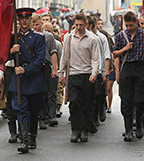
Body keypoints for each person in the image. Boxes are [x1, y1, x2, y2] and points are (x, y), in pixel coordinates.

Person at [8, 8, 47, 154]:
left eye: (26, 18)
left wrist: (26, 70)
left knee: (33, 111)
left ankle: (32, 137)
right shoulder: (14, 38)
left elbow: (40, 59)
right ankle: (24, 141)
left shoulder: (38, 37)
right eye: (21, 18)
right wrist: (11, 51)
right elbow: (3, 57)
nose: (24, 21)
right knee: (21, 109)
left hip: (34, 78)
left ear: (31, 20)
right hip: (19, 80)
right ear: (18, 20)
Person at [113, 11, 144, 142]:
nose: (129, 27)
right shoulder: (121, 36)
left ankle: (139, 125)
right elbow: (115, 53)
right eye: (127, 25)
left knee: (140, 100)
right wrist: (125, 49)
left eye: (131, 25)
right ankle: (128, 129)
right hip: (127, 68)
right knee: (126, 101)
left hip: (140, 68)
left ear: (136, 22)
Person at [58, 13, 99, 143]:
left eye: (81, 25)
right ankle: (75, 130)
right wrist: (61, 74)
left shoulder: (92, 39)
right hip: (73, 74)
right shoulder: (69, 38)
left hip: (87, 74)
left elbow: (95, 58)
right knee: (74, 103)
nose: (79, 27)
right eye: (76, 25)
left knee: (87, 103)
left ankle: (85, 130)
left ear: (86, 24)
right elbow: (64, 57)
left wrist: (94, 73)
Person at [31, 14, 58, 129]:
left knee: (46, 92)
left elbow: (53, 52)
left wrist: (55, 68)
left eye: (37, 25)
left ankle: (44, 117)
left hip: (45, 66)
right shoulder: (30, 36)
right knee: (35, 93)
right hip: (33, 66)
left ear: (41, 24)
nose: (35, 27)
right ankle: (36, 116)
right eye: (34, 25)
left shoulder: (48, 36)